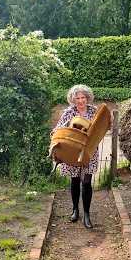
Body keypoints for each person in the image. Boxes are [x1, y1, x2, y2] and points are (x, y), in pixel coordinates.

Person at [51, 84, 99, 229]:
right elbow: (58, 129)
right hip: (72, 152)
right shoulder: (69, 112)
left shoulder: (94, 111)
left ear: (87, 98)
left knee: (86, 182)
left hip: (90, 151)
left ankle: (86, 214)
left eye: (83, 97)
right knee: (75, 180)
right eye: (77, 98)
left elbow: (100, 128)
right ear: (73, 99)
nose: (80, 101)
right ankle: (75, 210)